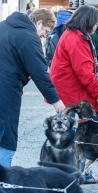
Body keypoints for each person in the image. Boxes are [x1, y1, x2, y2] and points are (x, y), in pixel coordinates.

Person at [0, 9, 65, 167]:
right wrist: (55, 100)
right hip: (7, 88)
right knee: (7, 134)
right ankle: (3, 180)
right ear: (39, 23)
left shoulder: (2, 26)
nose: (45, 36)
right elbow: (39, 73)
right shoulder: (29, 37)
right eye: (45, 31)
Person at [49, 5, 98, 184]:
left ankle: (77, 174)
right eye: (96, 23)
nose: (97, 26)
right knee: (78, 138)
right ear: (88, 21)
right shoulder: (76, 39)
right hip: (73, 97)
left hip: (69, 94)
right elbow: (85, 73)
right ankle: (76, 176)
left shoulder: (74, 34)